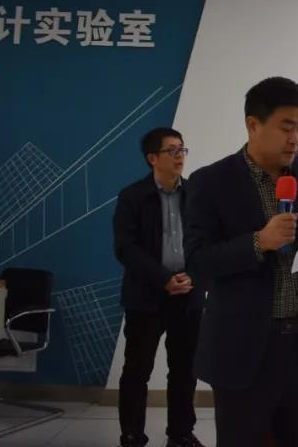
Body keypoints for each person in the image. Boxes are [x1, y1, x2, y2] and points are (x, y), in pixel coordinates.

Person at [186, 77, 298, 447]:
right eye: (286, 128)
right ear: (253, 124)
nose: (295, 139)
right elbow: (196, 261)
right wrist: (258, 242)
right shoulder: (210, 181)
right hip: (242, 350)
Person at [113, 127, 205, 447]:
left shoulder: (196, 195)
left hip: (188, 295)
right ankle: (132, 435)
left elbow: (207, 243)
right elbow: (126, 248)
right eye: (172, 150)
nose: (180, 156)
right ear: (152, 158)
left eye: (182, 149)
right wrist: (163, 278)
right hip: (146, 296)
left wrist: (193, 276)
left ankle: (180, 434)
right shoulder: (132, 196)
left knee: (184, 370)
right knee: (137, 370)